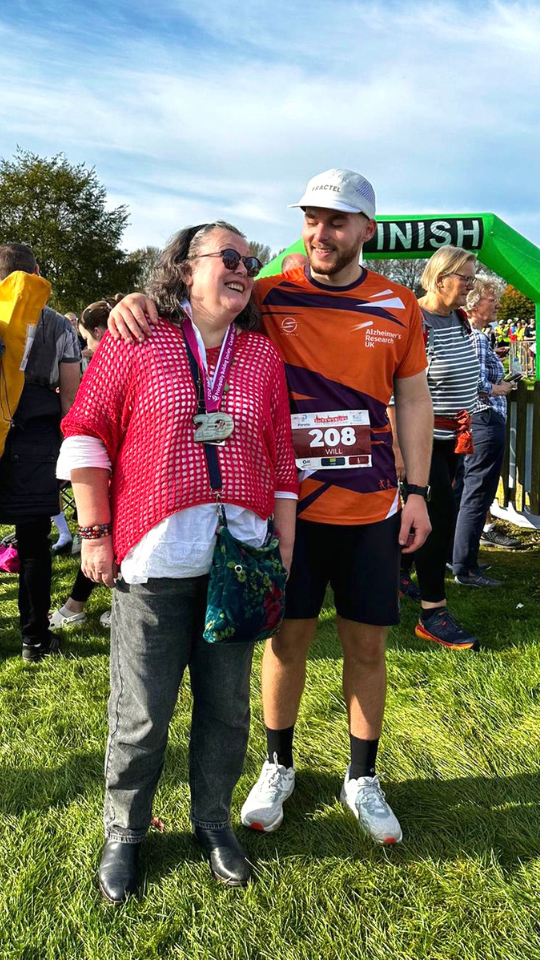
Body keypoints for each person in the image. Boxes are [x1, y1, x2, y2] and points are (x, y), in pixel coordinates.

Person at [107, 168, 433, 847]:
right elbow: (190, 298)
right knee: (286, 642)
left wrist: (419, 493)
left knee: (367, 646)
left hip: (370, 508)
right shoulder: (266, 293)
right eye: (312, 218)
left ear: (367, 229)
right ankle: (278, 764)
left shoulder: (398, 305)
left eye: (337, 220)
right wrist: (130, 301)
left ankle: (361, 777)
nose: (321, 232)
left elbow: (415, 401)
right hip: (286, 514)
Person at [58, 221, 298, 903]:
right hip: (154, 558)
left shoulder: (260, 355)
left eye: (248, 260)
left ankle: (212, 821)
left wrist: (283, 544)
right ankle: (125, 832)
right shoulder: (137, 339)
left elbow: (281, 454)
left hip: (240, 561)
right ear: (183, 268)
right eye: (227, 256)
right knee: (141, 714)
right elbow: (86, 433)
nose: (242, 268)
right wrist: (95, 530)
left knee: (226, 710)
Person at [0, 243, 80, 661]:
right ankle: (34, 639)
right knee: (33, 544)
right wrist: (69, 451)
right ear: (36, 272)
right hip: (35, 438)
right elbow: (70, 397)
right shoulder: (57, 325)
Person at [411, 246, 482, 650]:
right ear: (441, 279)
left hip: (453, 438)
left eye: (473, 278)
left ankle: (399, 576)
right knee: (436, 521)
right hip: (423, 440)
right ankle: (432, 613)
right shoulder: (414, 318)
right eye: (466, 278)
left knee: (435, 517)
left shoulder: (457, 318)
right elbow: (396, 384)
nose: (471, 286)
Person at [51, 298, 123, 630]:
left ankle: (77, 606)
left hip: (110, 464)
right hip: (111, 462)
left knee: (103, 534)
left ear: (98, 330)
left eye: (88, 339)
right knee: (104, 535)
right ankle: (80, 605)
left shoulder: (108, 361)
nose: (87, 347)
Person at [452, 277, 516, 585]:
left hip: (476, 421)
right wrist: (500, 387)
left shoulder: (469, 334)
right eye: (493, 300)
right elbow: (474, 383)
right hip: (485, 420)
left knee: (468, 491)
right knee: (477, 495)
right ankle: (465, 567)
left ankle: (460, 558)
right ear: (475, 304)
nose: (499, 305)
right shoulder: (475, 336)